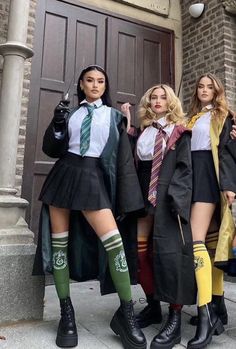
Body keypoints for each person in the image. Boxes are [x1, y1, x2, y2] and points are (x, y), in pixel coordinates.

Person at [32, 65, 147, 349]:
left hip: (93, 178)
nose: (95, 85)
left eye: (100, 81)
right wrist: (57, 124)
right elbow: (52, 148)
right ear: (81, 85)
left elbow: (122, 160)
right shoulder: (69, 113)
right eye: (89, 81)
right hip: (64, 175)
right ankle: (66, 314)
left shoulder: (114, 117)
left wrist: (126, 200)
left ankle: (126, 313)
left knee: (115, 245)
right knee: (59, 246)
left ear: (105, 86)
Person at [121, 84, 196, 349]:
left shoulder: (180, 133)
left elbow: (185, 168)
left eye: (163, 97)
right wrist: (128, 124)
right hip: (142, 196)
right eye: (153, 97)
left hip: (168, 198)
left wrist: (177, 198)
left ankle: (174, 316)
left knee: (170, 256)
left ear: (171, 102)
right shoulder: (143, 132)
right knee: (140, 255)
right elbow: (134, 162)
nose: (157, 101)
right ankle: (153, 305)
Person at [186, 73, 236, 349]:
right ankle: (218, 307)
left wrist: (228, 185)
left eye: (210, 87)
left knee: (196, 242)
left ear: (217, 92)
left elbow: (227, 152)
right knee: (209, 242)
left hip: (209, 177)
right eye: (200, 86)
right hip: (191, 176)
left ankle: (204, 312)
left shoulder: (225, 115)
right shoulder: (192, 116)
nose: (204, 90)